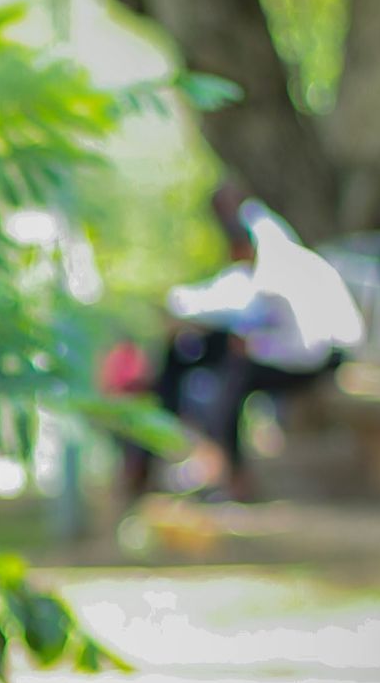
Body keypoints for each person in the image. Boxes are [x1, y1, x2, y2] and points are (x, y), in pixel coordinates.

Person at [131, 183, 365, 499]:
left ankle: (235, 478)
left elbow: (308, 348)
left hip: (321, 357)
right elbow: (223, 301)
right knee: (182, 353)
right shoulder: (259, 267)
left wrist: (254, 346)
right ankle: (150, 460)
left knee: (235, 374)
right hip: (284, 348)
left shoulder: (283, 272)